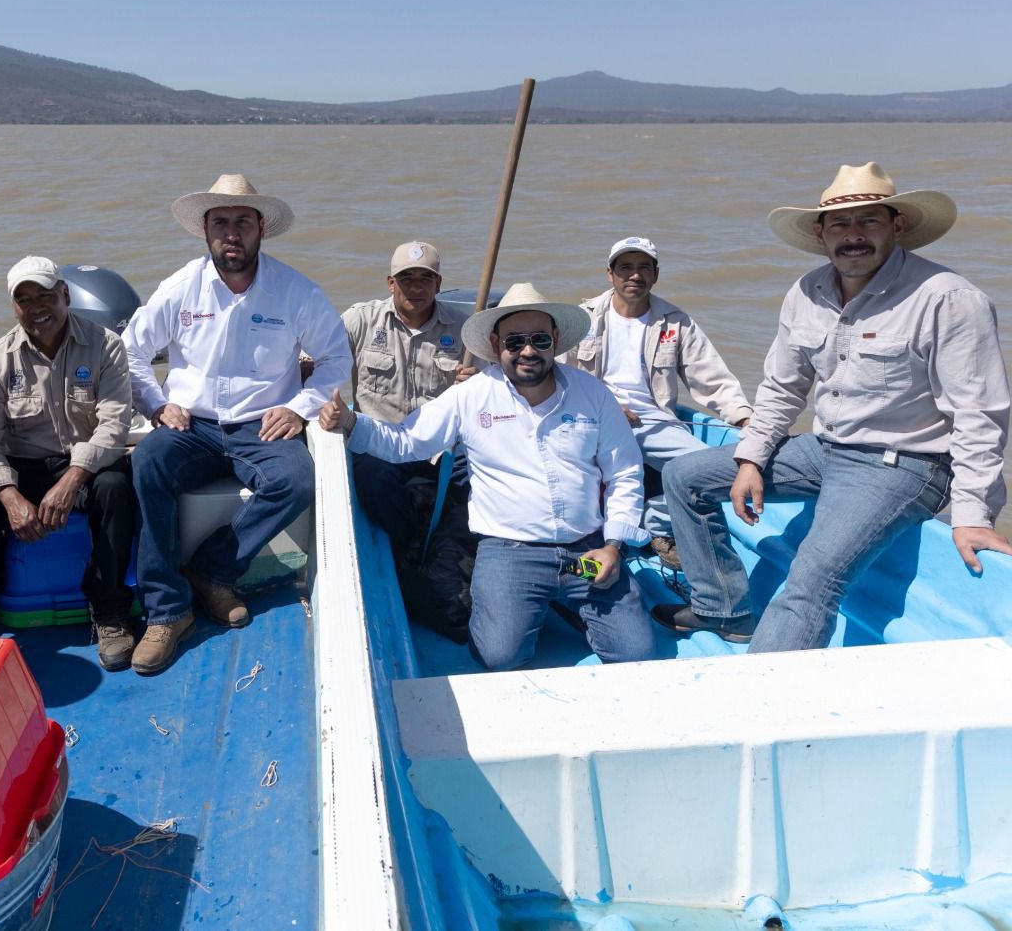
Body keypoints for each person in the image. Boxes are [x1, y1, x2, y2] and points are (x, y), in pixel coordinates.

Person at [657, 163, 1012, 651]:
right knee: (684, 476)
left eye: (869, 221)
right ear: (820, 233)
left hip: (904, 464)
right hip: (824, 450)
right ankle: (723, 610)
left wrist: (974, 514)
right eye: (840, 224)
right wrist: (751, 459)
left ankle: (761, 693)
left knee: (810, 580)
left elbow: (978, 415)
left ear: (897, 225)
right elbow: (782, 389)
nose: (853, 235)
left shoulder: (948, 299)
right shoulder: (807, 291)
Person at [320, 282, 655, 670]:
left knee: (637, 655)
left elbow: (625, 472)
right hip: (510, 551)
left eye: (539, 339)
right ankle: (537, 605)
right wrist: (349, 422)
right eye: (514, 342)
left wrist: (614, 545)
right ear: (496, 345)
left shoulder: (594, 394)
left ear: (555, 340)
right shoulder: (471, 395)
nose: (527, 351)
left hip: (590, 547)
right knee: (497, 657)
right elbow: (407, 441)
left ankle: (558, 606)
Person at [123, 174, 351, 675]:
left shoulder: (296, 291)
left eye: (242, 222)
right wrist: (157, 404)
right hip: (192, 425)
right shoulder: (179, 288)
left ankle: (212, 570)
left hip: (261, 425)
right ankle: (167, 612)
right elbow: (131, 353)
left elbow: (336, 358)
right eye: (220, 222)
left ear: (261, 229)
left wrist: (300, 407)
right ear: (205, 231)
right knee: (147, 463)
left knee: (296, 479)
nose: (231, 233)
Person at [0, 256, 136, 668]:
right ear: (14, 308)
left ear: (65, 295)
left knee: (115, 487)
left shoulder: (106, 344)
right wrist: (10, 497)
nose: (36, 307)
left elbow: (114, 425)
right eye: (24, 299)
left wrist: (72, 481)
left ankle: (110, 610)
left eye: (45, 295)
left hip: (84, 463)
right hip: (23, 467)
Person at [565, 236, 752, 567]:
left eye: (643, 268)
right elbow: (559, 378)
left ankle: (654, 522)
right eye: (625, 268)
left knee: (718, 471)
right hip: (592, 418)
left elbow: (713, 379)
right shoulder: (583, 318)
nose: (635, 275)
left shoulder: (676, 321)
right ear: (610, 274)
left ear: (655, 274)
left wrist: (746, 420)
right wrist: (606, 407)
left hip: (653, 422)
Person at [340, 240, 477, 639]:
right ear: (390, 282)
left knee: (476, 487)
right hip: (379, 442)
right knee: (373, 479)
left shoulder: (466, 330)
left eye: (425, 279)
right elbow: (320, 361)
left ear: (438, 284)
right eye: (406, 279)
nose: (415, 287)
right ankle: (407, 549)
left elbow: (496, 389)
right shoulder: (360, 320)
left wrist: (478, 379)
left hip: (439, 447)